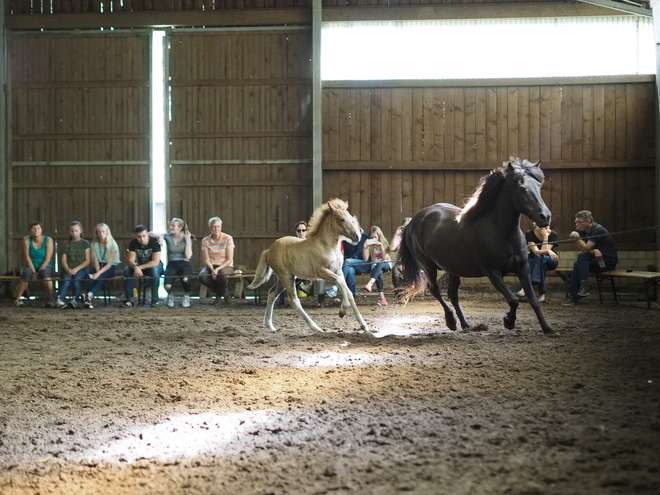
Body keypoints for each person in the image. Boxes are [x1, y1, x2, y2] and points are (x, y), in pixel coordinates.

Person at [563, 210, 618, 306]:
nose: (576, 225)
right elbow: (583, 249)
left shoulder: (598, 230)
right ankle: (580, 289)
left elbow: (585, 249)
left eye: (579, 222)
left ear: (588, 222)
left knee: (579, 262)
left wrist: (578, 238)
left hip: (608, 261)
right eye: (575, 222)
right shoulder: (580, 231)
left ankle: (574, 295)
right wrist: (594, 251)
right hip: (594, 260)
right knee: (579, 261)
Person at [152, 218, 194, 308]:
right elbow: (149, 233)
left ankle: (186, 296)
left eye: (173, 226)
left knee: (185, 279)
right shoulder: (168, 236)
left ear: (179, 228)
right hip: (172, 263)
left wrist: (187, 241)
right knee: (167, 285)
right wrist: (160, 237)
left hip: (184, 263)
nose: (171, 227)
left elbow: (188, 256)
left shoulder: (186, 237)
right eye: (170, 225)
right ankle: (170, 295)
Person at [14, 222, 56, 307]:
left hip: (45, 266)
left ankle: (51, 299)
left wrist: (38, 273)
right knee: (26, 274)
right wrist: (33, 272)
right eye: (33, 228)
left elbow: (47, 259)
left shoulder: (48, 240)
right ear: (30, 230)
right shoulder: (26, 239)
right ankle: (17, 299)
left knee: (45, 275)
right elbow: (27, 258)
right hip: (31, 265)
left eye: (38, 228)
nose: (36, 230)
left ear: (41, 230)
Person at [515, 223, 559, 303]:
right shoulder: (530, 233)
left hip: (550, 259)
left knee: (539, 260)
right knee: (539, 262)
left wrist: (545, 237)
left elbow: (544, 253)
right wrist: (548, 250)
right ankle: (542, 295)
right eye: (544, 226)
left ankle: (526, 288)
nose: (546, 228)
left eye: (548, 225)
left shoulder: (553, 234)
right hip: (534, 259)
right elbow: (536, 252)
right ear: (537, 225)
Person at [328, 216, 370, 298]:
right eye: (350, 222)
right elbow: (344, 252)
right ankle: (352, 299)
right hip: (349, 266)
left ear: (357, 223)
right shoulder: (346, 238)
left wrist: (350, 259)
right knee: (350, 271)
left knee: (347, 262)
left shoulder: (364, 236)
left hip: (363, 264)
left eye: (353, 222)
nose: (352, 224)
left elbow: (360, 251)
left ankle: (335, 286)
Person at [124, 224, 163, 307]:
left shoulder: (154, 241)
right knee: (127, 270)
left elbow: (155, 262)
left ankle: (154, 300)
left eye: (144, 236)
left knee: (154, 270)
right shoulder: (133, 243)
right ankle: (130, 299)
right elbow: (130, 260)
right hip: (140, 265)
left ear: (147, 234)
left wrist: (138, 267)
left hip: (155, 265)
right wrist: (135, 267)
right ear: (135, 236)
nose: (142, 239)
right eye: (139, 237)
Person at [199, 216, 235, 304]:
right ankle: (223, 293)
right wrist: (212, 270)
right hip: (211, 265)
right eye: (214, 226)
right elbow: (206, 259)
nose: (216, 229)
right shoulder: (205, 240)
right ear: (210, 228)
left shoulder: (228, 238)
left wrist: (217, 270)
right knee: (202, 276)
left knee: (222, 275)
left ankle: (218, 296)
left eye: (218, 226)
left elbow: (229, 259)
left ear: (221, 227)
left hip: (225, 265)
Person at [57, 221, 91, 309]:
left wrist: (76, 269)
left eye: (76, 231)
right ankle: (60, 300)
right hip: (68, 268)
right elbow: (63, 259)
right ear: (69, 231)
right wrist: (67, 269)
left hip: (81, 268)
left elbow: (87, 261)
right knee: (65, 280)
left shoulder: (85, 243)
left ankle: (75, 300)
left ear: (80, 231)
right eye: (72, 231)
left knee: (76, 280)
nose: (74, 233)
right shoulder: (66, 243)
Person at [85, 223, 120, 309]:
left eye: (103, 231)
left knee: (101, 277)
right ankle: (88, 300)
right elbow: (95, 260)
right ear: (96, 233)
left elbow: (109, 264)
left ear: (107, 232)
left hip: (110, 267)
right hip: (99, 266)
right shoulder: (94, 244)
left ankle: (89, 295)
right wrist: (97, 271)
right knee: (91, 277)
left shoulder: (113, 244)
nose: (101, 234)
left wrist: (99, 273)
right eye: (99, 232)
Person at [362, 226, 393, 306]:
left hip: (386, 264)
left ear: (379, 236)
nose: (373, 239)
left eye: (375, 237)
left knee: (380, 263)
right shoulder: (370, 246)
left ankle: (370, 283)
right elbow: (365, 259)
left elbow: (385, 258)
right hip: (375, 266)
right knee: (379, 273)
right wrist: (365, 247)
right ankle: (382, 298)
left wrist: (382, 247)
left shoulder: (384, 243)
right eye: (371, 237)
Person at [389, 217, 412, 288]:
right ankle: (399, 290)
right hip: (400, 261)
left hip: (412, 261)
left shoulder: (415, 237)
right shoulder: (400, 238)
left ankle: (408, 292)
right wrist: (396, 234)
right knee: (395, 271)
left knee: (409, 273)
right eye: (405, 227)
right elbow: (391, 248)